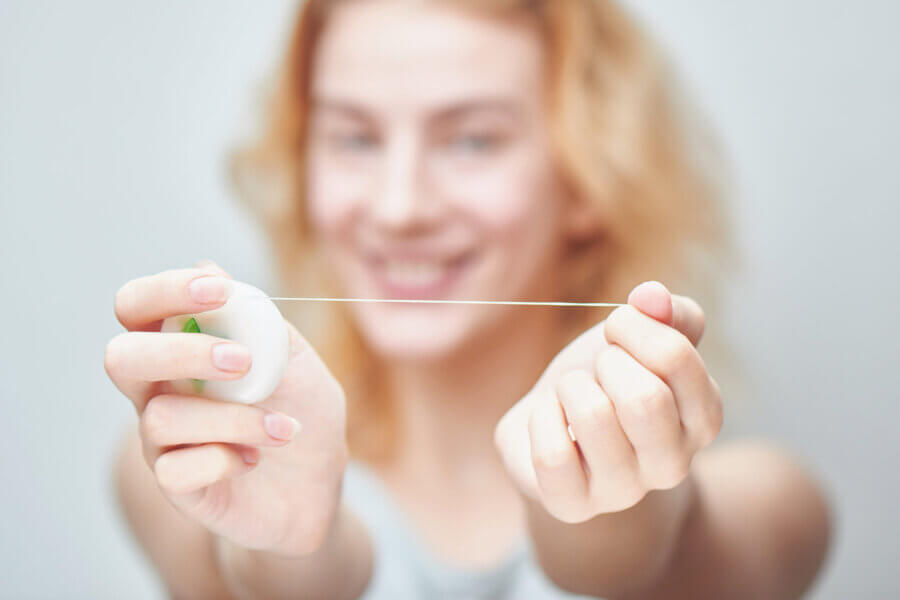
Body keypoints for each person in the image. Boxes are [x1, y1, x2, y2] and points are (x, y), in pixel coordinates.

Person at [105, 1, 831, 598]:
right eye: (354, 138)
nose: (398, 208)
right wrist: (291, 553)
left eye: (473, 141)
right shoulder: (189, 465)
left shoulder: (772, 502)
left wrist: (608, 513)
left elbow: (660, 564)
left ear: (586, 176)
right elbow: (270, 568)